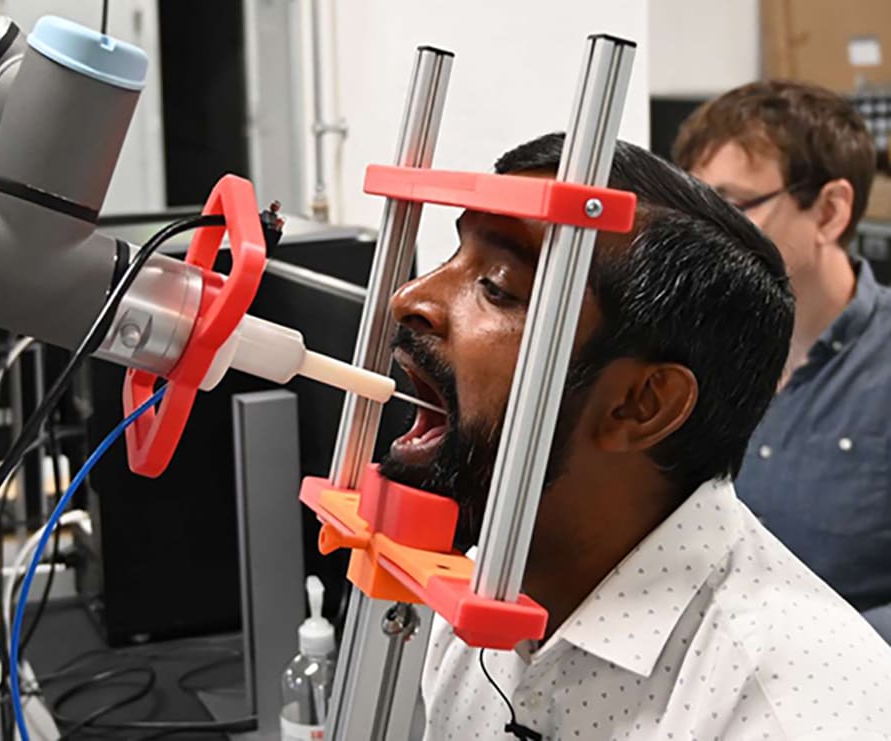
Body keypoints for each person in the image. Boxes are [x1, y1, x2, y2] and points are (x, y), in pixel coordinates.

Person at [379, 133, 891, 740]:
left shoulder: (791, 715)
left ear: (642, 405)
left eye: (497, 286)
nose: (409, 298)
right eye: (452, 258)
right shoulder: (478, 588)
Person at [673, 81, 891, 641]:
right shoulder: (687, 350)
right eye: (695, 207)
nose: (702, 238)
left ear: (829, 211)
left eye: (731, 206)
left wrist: (817, 653)